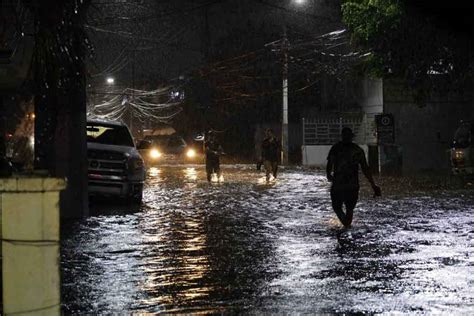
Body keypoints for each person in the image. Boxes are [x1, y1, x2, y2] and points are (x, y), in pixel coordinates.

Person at [326, 127, 381, 228]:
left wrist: (329, 175)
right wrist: (373, 184)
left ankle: (345, 224)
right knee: (349, 208)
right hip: (352, 185)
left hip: (339, 184)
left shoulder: (336, 148)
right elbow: (365, 168)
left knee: (337, 207)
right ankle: (347, 224)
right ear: (352, 137)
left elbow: (330, 164)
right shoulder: (357, 150)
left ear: (342, 136)